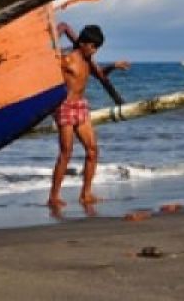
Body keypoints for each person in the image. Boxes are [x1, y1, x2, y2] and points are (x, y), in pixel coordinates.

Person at [48, 23, 129, 213]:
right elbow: (45, 69)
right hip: (64, 107)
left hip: (81, 106)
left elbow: (100, 75)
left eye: (97, 48)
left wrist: (114, 66)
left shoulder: (88, 61)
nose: (94, 51)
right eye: (92, 46)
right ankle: (53, 196)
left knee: (93, 150)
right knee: (66, 153)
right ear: (83, 43)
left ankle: (86, 194)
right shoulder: (66, 58)